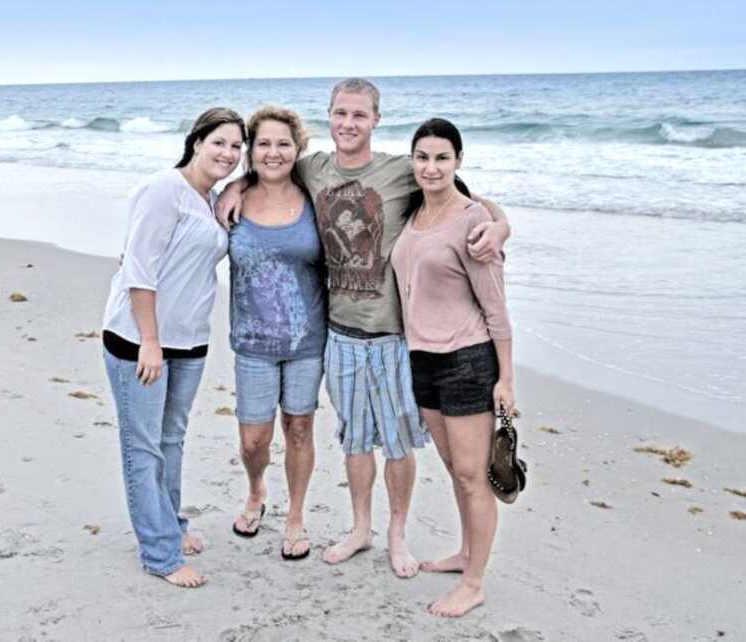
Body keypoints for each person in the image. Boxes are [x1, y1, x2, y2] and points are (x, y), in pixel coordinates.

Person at [217, 79, 510, 579]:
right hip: (340, 334)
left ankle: (397, 533)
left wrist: (501, 225)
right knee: (354, 440)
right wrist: (235, 184)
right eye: (340, 114)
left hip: (396, 338)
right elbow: (269, 168)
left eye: (359, 115)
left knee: (396, 442)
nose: (348, 124)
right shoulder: (313, 167)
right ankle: (360, 528)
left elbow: (467, 201)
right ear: (328, 118)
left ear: (375, 119)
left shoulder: (402, 170)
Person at [102, 107, 246, 588]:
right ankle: (160, 554)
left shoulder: (210, 198)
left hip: (191, 340)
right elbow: (138, 269)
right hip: (139, 341)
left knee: (171, 440)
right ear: (196, 141)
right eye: (219, 142)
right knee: (142, 447)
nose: (227, 153)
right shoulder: (163, 189)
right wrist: (149, 341)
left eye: (236, 146)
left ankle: (172, 524)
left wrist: (239, 187)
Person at [391, 117, 515, 617]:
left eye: (442, 157)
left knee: (472, 476)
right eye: (423, 157)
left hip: (467, 359)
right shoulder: (413, 211)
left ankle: (475, 580)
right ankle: (466, 553)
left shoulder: (473, 221)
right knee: (454, 469)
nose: (431, 166)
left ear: (458, 161)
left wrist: (506, 379)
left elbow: (497, 308)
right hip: (422, 359)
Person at [227, 106, 326, 561]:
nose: (273, 152)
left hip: (307, 341)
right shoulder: (229, 202)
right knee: (254, 441)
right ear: (251, 150)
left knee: (300, 428)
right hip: (252, 343)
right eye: (263, 143)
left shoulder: (315, 196)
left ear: (298, 148)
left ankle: (296, 515)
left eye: (283, 143)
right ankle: (256, 489)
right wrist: (236, 182)